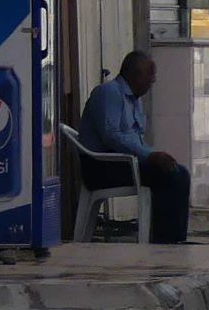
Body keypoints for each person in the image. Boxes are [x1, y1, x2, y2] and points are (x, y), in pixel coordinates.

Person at [77, 50, 192, 244]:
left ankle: (175, 239)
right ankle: (164, 242)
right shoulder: (109, 93)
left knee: (179, 173)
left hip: (124, 162)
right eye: (150, 75)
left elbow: (135, 138)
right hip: (102, 166)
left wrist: (153, 155)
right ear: (135, 74)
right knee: (167, 176)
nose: (152, 81)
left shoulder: (134, 100)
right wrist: (149, 156)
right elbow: (111, 136)